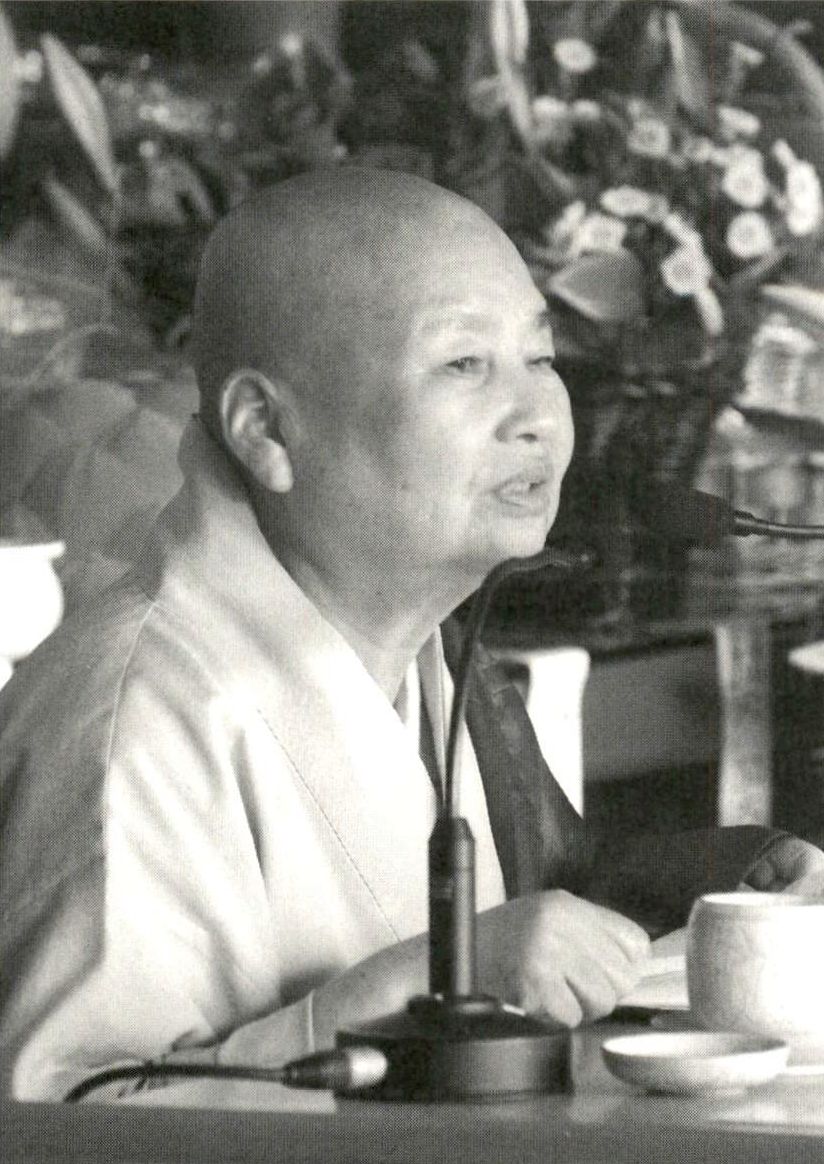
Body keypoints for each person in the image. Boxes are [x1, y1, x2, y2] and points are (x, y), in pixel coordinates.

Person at [1, 168, 822, 1104]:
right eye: (464, 364)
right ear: (267, 429)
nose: (538, 417)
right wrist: (430, 982)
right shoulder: (138, 725)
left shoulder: (434, 660)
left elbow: (544, 903)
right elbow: (72, 1125)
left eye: (542, 357)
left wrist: (729, 887)